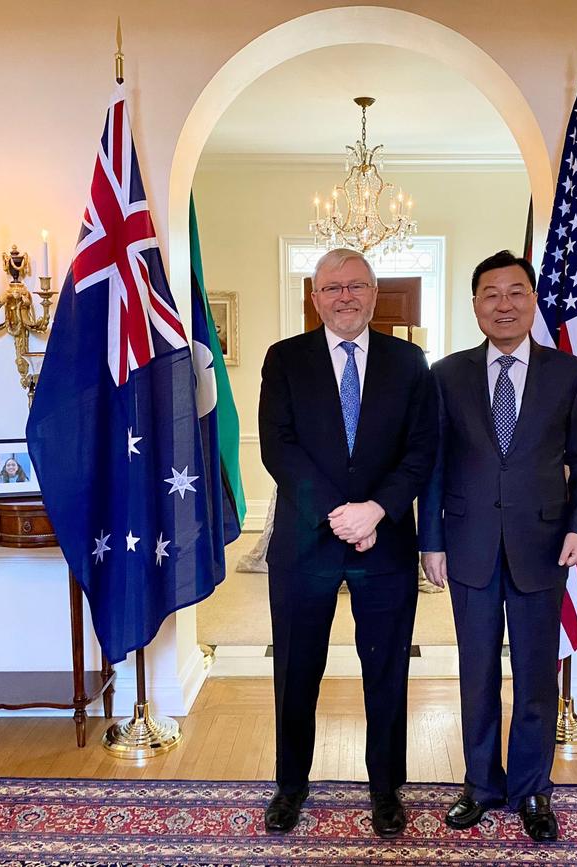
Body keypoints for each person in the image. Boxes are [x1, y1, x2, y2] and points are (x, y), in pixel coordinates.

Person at [418, 250, 577, 843]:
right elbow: (434, 466)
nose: (504, 304)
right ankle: (480, 785)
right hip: (467, 545)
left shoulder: (568, 373)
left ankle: (532, 791)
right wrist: (431, 541)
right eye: (491, 294)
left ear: (531, 300)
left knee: (534, 676)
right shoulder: (445, 375)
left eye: (515, 292)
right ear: (474, 304)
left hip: (545, 546)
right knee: (476, 674)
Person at [259, 247, 435, 838]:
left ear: (374, 292)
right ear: (315, 297)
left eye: (356, 285)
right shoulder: (284, 360)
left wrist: (376, 510)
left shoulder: (410, 363)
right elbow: (277, 447)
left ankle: (386, 789)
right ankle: (291, 786)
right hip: (306, 542)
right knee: (296, 668)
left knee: (385, 669)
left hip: (383, 544)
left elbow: (420, 452)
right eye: (332, 287)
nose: (345, 296)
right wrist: (339, 515)